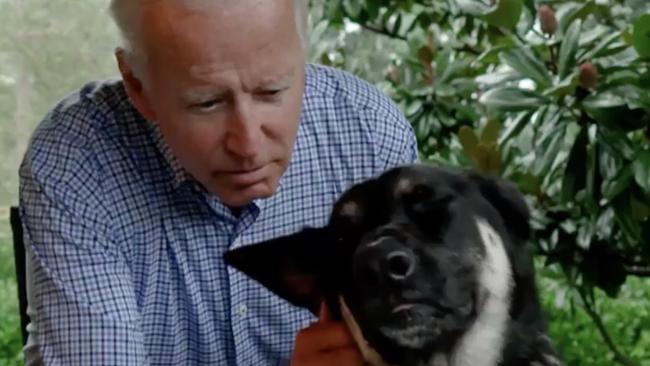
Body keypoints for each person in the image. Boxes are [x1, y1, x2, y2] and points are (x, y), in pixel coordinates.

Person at [18, 0, 418, 365]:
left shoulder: (368, 135)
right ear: (138, 86)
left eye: (272, 90)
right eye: (206, 102)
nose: (247, 145)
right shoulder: (80, 163)